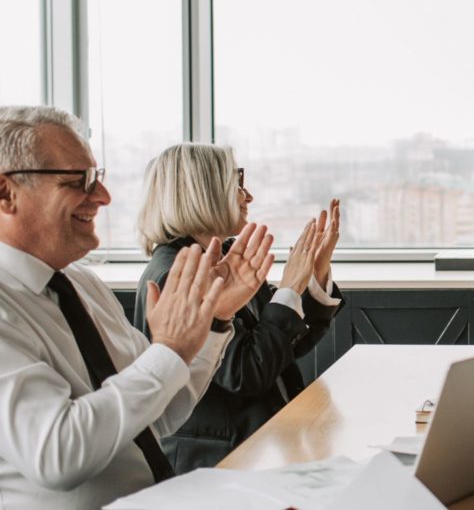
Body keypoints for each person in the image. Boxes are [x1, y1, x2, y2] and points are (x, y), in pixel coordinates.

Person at [0, 106, 274, 509]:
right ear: (6, 194)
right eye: (81, 181)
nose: (103, 197)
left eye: (99, 178)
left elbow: (158, 415)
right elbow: (57, 456)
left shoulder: (83, 285)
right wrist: (168, 352)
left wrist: (215, 322)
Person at [133, 143, 343, 473]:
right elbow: (246, 373)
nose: (248, 197)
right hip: (220, 463)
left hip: (264, 446)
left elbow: (284, 345)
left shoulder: (227, 254)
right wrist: (289, 288)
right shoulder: (176, 272)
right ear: (203, 192)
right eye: (237, 183)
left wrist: (310, 278)